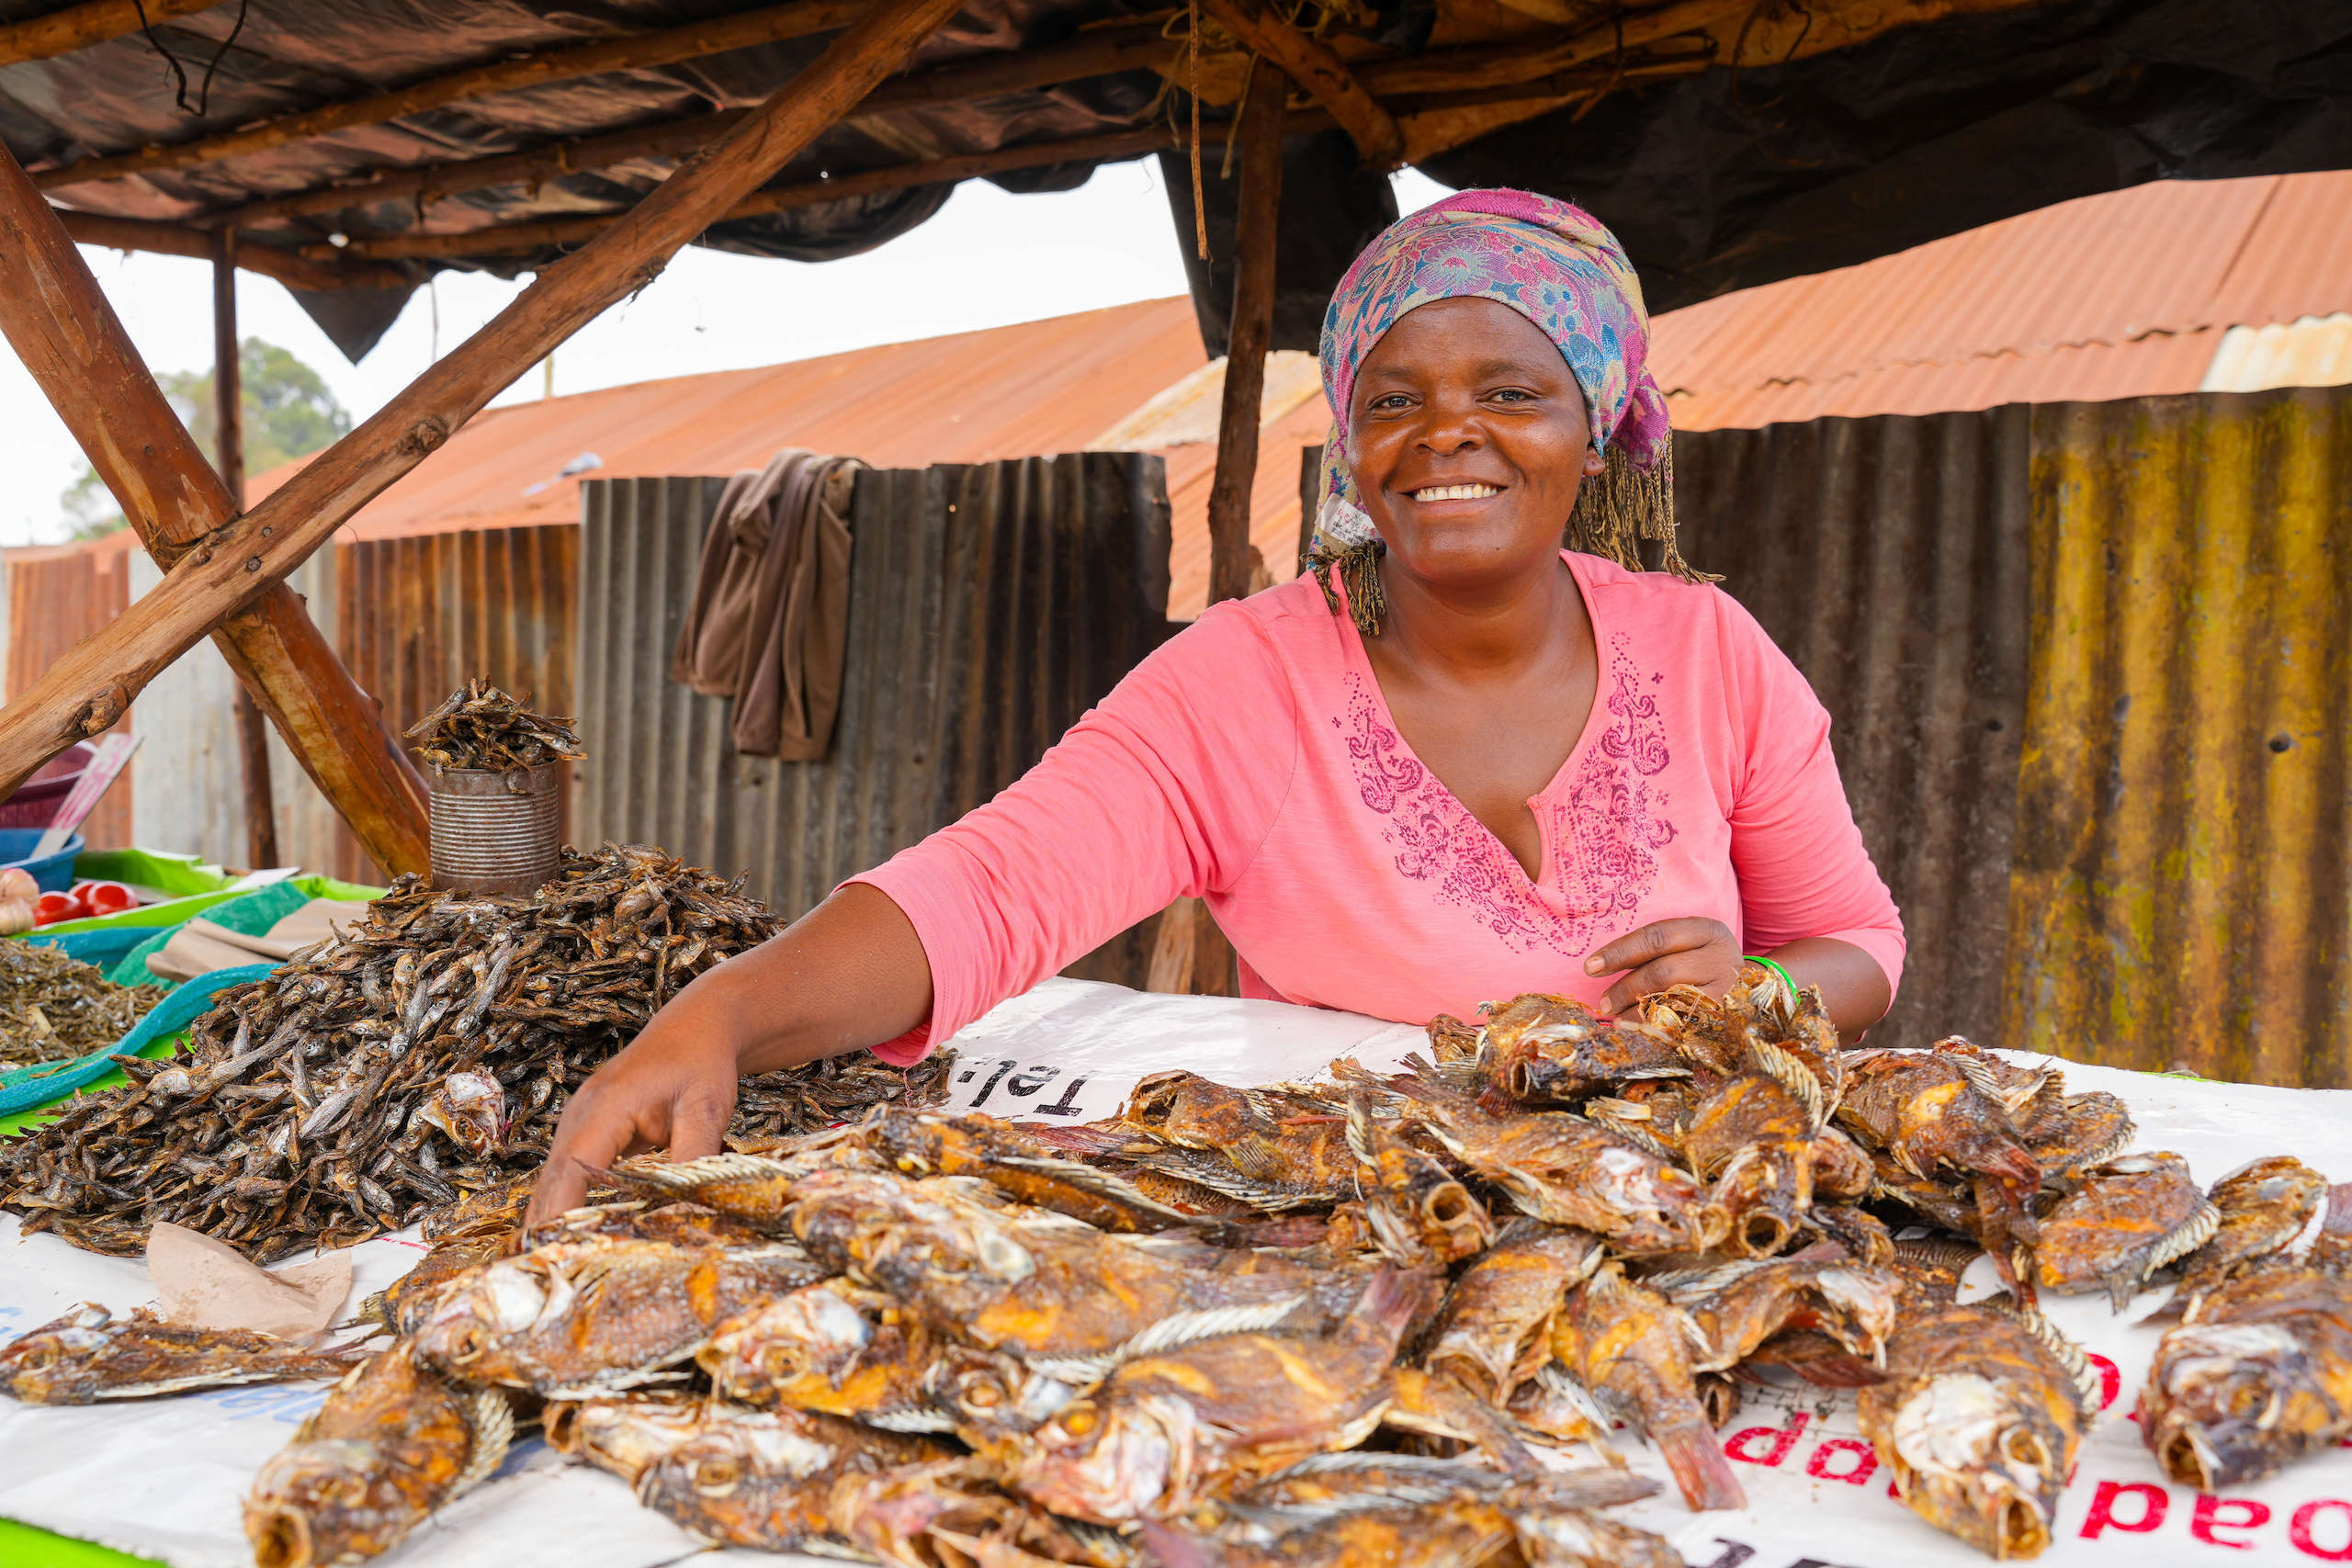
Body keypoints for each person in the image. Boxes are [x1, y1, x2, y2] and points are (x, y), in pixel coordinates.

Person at [526, 188, 1904, 1223]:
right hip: (1351, 1236)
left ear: (1592, 425)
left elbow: (1857, 942)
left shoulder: (1709, 652)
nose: (1448, 435)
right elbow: (987, 889)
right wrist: (716, 1017)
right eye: (1395, 399)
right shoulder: (1245, 683)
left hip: (1686, 1223)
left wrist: (1761, 994)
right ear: (1353, 441)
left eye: (1512, 391)